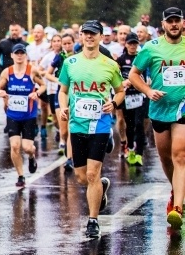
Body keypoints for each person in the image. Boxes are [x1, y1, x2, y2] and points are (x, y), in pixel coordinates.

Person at [58, 19, 125, 238]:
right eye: (85, 33)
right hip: (77, 124)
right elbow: (63, 90)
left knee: (92, 173)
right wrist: (63, 107)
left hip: (100, 124)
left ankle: (93, 220)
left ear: (100, 36)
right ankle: (101, 189)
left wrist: (114, 103)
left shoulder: (110, 64)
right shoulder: (70, 63)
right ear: (81, 36)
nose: (89, 37)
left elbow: (120, 91)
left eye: (93, 33)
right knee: (80, 177)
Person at [129, 7, 185, 228]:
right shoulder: (151, 49)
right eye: (169, 21)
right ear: (163, 25)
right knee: (166, 158)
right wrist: (148, 91)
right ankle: (176, 190)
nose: (173, 25)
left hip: (182, 108)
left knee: (179, 156)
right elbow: (134, 74)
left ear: (182, 23)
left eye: (176, 21)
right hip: (159, 109)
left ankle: (178, 208)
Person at [0, 44, 45, 187]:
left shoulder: (32, 71)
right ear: (12, 55)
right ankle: (20, 176)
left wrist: (37, 93)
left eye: (22, 53)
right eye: (17, 53)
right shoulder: (7, 72)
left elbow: (43, 85)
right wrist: (0, 93)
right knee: (15, 146)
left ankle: (32, 156)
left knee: (27, 147)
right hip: (13, 114)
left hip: (29, 115)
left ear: (26, 55)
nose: (19, 55)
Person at [45, 33, 75, 170]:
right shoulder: (59, 57)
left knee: (70, 128)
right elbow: (47, 73)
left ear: (74, 43)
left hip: (75, 93)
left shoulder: (78, 56)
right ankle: (63, 141)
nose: (67, 46)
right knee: (63, 130)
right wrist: (58, 81)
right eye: (65, 44)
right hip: (61, 93)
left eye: (70, 43)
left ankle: (69, 158)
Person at [115, 32, 146, 165]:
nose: (132, 46)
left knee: (139, 124)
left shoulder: (141, 58)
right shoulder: (121, 59)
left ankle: (139, 154)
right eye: (130, 43)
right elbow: (116, 77)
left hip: (140, 96)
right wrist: (123, 82)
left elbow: (148, 74)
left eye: (135, 43)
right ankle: (131, 150)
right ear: (126, 44)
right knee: (130, 125)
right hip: (127, 97)